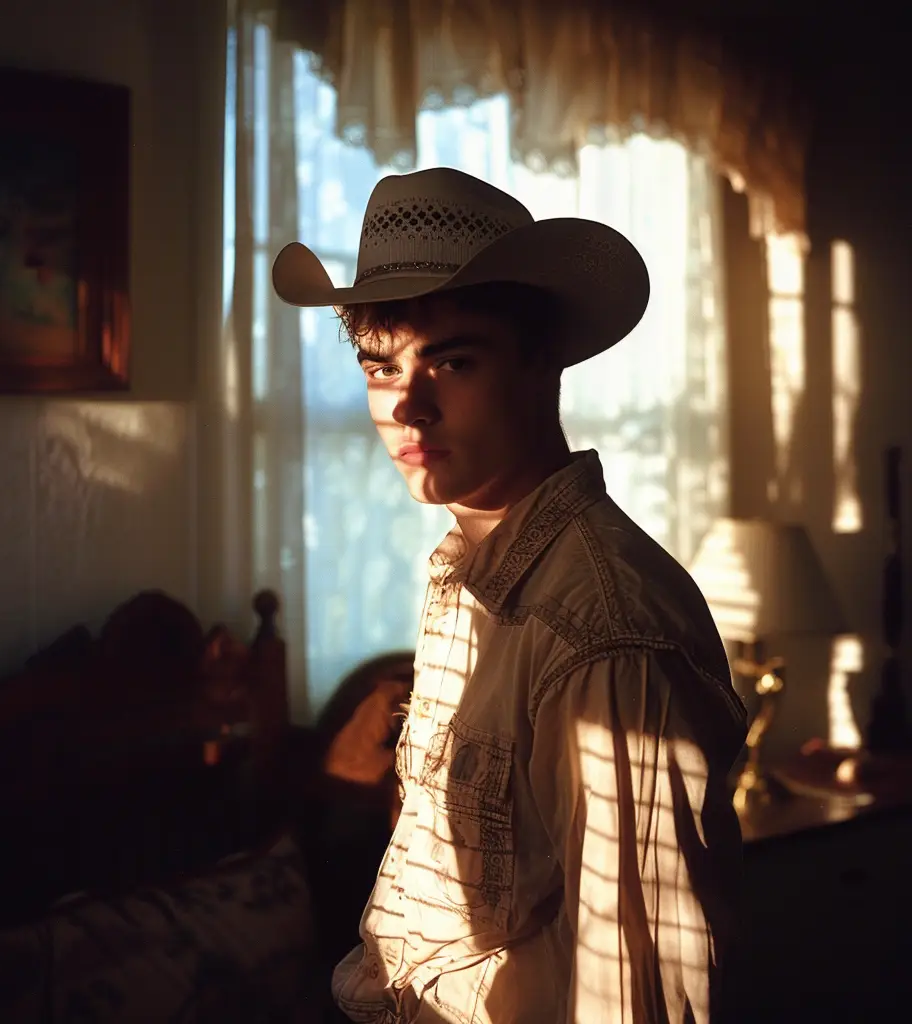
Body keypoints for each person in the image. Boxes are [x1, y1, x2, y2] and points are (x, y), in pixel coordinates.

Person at [272, 168, 746, 1024]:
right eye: (381, 366)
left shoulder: (605, 629)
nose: (408, 407)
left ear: (543, 360)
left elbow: (642, 990)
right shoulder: (476, 574)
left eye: (453, 359)